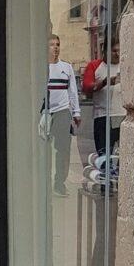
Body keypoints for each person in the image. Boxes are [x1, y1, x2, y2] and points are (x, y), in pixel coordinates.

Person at [44, 34, 81, 197]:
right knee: (44, 149)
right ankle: (44, 181)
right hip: (45, 113)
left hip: (62, 112)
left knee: (63, 149)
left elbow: (72, 91)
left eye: (57, 44)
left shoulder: (66, 68)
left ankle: (59, 183)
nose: (56, 47)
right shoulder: (42, 67)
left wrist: (76, 112)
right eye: (52, 44)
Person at [90, 39, 123, 155]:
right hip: (103, 116)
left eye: (119, 50)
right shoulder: (96, 66)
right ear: (105, 51)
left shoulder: (125, 66)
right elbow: (87, 88)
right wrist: (105, 82)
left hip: (122, 115)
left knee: (123, 156)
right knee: (104, 155)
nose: (118, 54)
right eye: (114, 51)